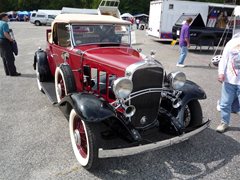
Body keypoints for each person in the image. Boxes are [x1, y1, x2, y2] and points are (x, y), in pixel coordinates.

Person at [216, 34, 240, 133]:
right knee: (225, 103)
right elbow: (224, 59)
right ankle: (224, 122)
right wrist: (221, 72)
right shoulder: (232, 42)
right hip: (229, 80)